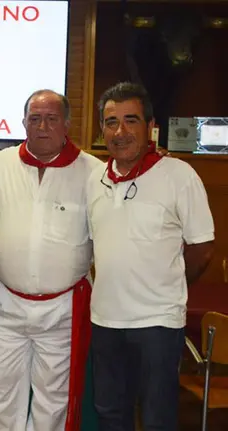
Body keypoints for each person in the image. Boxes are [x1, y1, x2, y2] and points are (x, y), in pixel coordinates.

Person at [87, 82, 214, 430]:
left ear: (150, 126)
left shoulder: (178, 175)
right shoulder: (95, 179)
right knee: (110, 414)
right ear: (102, 129)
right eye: (112, 122)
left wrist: (165, 285)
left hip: (157, 325)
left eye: (131, 120)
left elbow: (202, 249)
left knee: (158, 418)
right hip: (105, 322)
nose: (121, 131)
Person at [0, 89, 103, 431]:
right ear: (23, 124)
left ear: (67, 124)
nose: (42, 127)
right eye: (35, 119)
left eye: (51, 119)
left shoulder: (95, 172)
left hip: (62, 310)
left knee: (53, 400)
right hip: (7, 304)